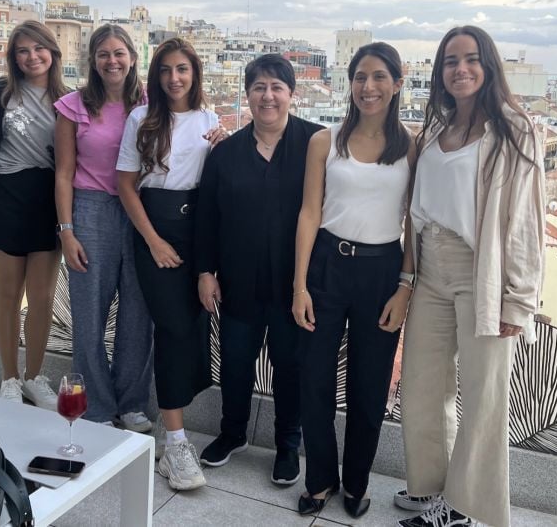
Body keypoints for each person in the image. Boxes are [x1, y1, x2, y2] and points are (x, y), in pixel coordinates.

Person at [397, 26, 545, 527]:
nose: (460, 69)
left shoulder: (514, 130)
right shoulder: (436, 130)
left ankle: (462, 509)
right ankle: (434, 492)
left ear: (489, 66)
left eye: (471, 59)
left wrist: (517, 301)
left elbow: (526, 222)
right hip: (431, 271)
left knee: (482, 398)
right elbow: (416, 210)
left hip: (481, 273)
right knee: (421, 386)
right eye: (450, 61)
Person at [292, 42, 415, 518]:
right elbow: (309, 213)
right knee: (315, 379)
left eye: (380, 76)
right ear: (350, 84)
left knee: (370, 385)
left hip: (383, 270)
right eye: (361, 76)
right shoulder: (325, 141)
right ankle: (320, 478)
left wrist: (405, 286)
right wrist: (299, 285)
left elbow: (416, 222)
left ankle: (357, 482)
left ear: (398, 84)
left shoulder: (413, 145)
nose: (369, 86)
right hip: (327, 264)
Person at [195, 54, 323, 485]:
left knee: (290, 368)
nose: (268, 96)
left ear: (292, 93)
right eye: (259, 88)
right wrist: (205, 271)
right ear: (247, 94)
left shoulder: (315, 144)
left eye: (276, 87)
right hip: (238, 282)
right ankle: (232, 434)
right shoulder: (225, 153)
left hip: (294, 285)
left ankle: (288, 445)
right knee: (234, 362)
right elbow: (207, 218)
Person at [116, 37, 225, 490]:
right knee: (172, 327)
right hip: (155, 232)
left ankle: (171, 425)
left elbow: (214, 183)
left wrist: (225, 143)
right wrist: (153, 241)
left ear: (194, 73)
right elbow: (125, 184)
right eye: (166, 70)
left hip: (197, 229)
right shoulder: (141, 118)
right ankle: (175, 443)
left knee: (194, 324)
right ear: (156, 76)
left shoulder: (210, 119)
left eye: (182, 69)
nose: (174, 78)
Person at [53, 24, 153, 430]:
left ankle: (132, 404)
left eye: (119, 53)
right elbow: (63, 172)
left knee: (138, 312)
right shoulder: (72, 106)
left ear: (132, 57)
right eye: (103, 54)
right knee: (89, 313)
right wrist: (66, 230)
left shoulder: (152, 103)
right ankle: (96, 406)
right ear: (92, 61)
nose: (113, 61)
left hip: (142, 211)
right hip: (91, 211)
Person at [0, 20, 67, 408]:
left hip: (48, 202)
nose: (32, 57)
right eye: (22, 51)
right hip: (5, 200)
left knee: (43, 297)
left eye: (38, 48)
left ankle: (35, 376)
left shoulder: (70, 99)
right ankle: (10, 378)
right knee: (9, 295)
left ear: (53, 52)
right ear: (13, 57)